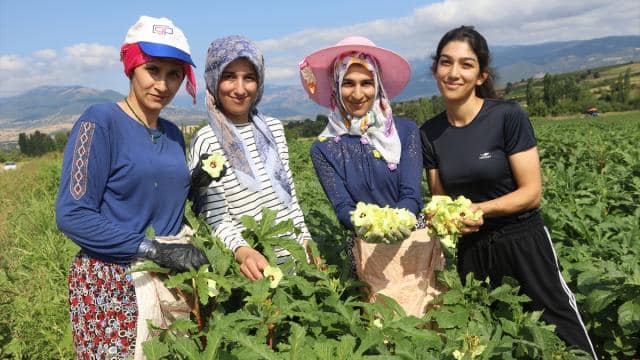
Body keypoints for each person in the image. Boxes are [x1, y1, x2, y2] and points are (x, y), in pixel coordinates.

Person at [420, 25, 596, 357]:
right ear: (435, 69)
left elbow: (531, 192)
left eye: (466, 64)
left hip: (523, 239)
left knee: (559, 319)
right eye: (446, 62)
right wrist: (449, 220)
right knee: (491, 332)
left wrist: (479, 210)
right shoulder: (429, 133)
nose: (454, 72)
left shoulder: (506, 117)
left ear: (481, 75)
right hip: (474, 248)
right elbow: (440, 198)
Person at [55, 16, 208, 359]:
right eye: (153, 70)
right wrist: (151, 250)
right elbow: (72, 214)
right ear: (132, 67)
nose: (163, 85)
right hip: (114, 283)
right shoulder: (100, 122)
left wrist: (193, 186)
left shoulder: (170, 133)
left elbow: (155, 203)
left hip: (170, 279)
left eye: (174, 75)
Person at [189, 35, 312, 281]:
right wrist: (243, 251)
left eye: (250, 78)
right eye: (229, 77)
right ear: (213, 79)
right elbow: (214, 216)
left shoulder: (274, 129)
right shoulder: (207, 140)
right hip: (251, 268)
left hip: (296, 262)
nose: (240, 89)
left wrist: (307, 242)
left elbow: (290, 199)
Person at [299, 36, 425, 275]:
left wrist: (397, 223)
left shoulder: (405, 131)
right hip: (365, 249)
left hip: (414, 243)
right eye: (348, 83)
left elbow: (411, 194)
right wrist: (372, 226)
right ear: (336, 85)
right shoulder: (324, 148)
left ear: (377, 84)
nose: (358, 93)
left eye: (366, 82)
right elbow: (343, 206)